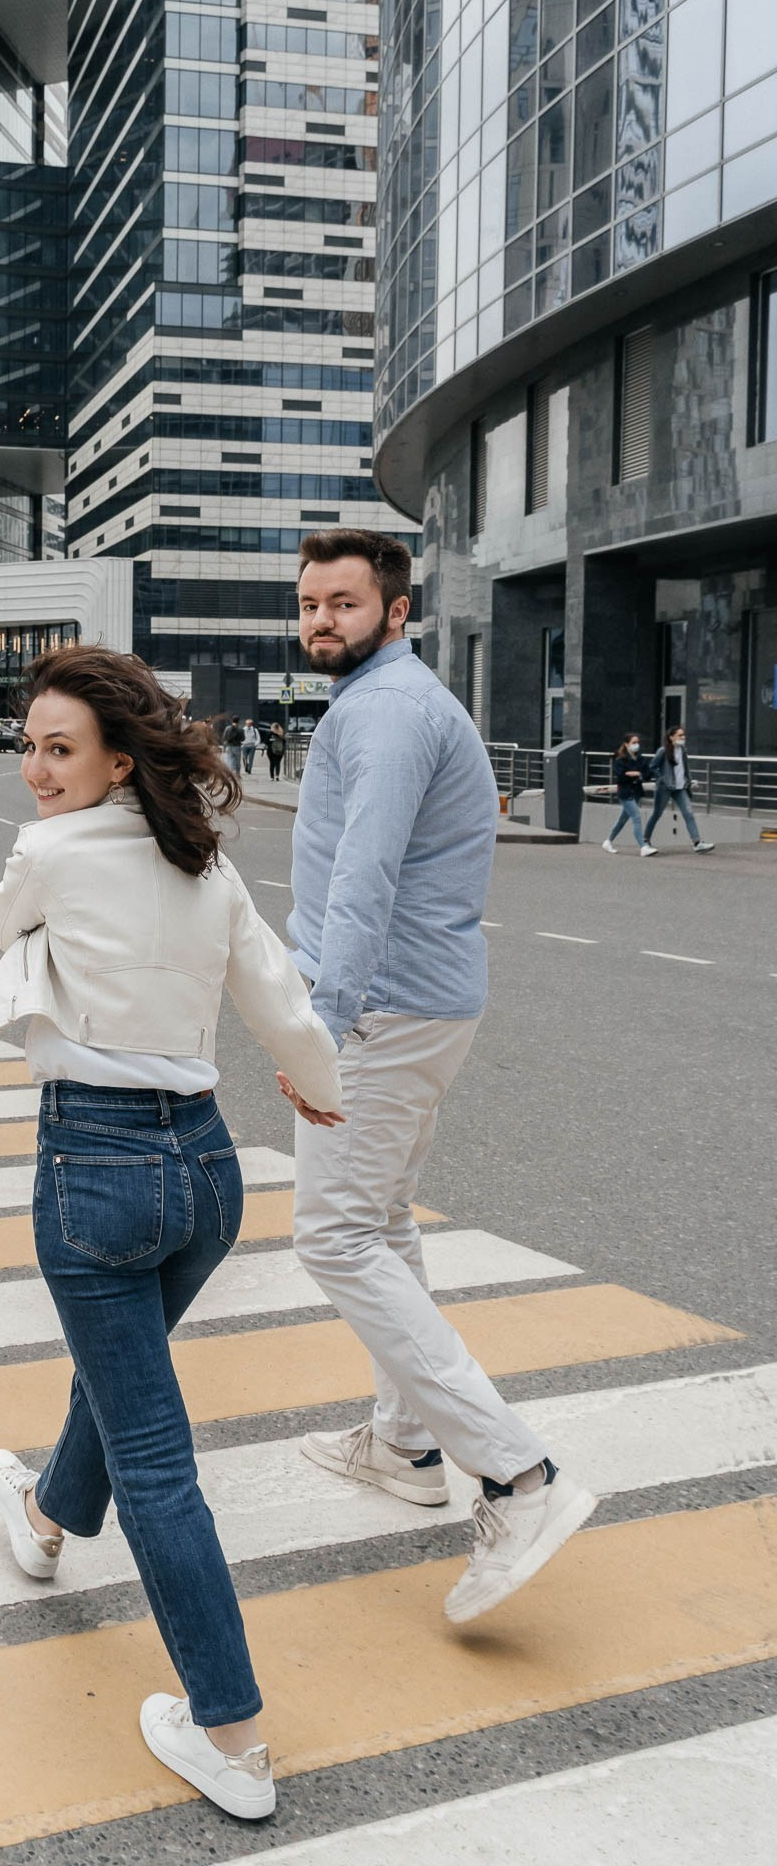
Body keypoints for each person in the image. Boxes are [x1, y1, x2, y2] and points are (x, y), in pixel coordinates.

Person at [0, 643, 342, 1821]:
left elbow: (14, 921)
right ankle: (45, 1517)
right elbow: (277, 996)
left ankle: (231, 1735)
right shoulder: (205, 867)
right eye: (27, 747)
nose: (33, 770)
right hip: (208, 1172)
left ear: (120, 760)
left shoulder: (48, 852)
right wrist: (314, 1086)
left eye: (57, 749)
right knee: (125, 1390)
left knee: (157, 1461)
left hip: (96, 1167)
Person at [283, 527, 595, 1626]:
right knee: (383, 1220)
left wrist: (318, 1026)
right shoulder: (385, 703)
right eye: (311, 602)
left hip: (377, 1012)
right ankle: (408, 1445)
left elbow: (361, 883)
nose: (321, 620)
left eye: (343, 604)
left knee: (331, 1235)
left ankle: (516, 1476)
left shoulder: (384, 714)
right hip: (417, 1005)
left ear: (396, 612)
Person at [646, 725, 714, 851]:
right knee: (656, 814)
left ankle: (697, 843)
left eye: (683, 735)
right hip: (665, 788)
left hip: (680, 787)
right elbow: (652, 766)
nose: (683, 737)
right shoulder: (663, 751)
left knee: (689, 813)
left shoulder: (682, 750)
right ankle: (646, 840)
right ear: (671, 737)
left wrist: (688, 780)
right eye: (680, 735)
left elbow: (684, 768)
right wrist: (662, 778)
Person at [602, 733, 657, 855]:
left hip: (636, 792)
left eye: (637, 742)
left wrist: (635, 774)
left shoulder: (641, 759)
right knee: (636, 817)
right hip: (626, 793)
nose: (636, 745)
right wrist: (636, 774)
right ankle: (643, 847)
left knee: (622, 819)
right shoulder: (620, 759)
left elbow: (647, 774)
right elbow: (621, 776)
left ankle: (608, 841)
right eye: (633, 742)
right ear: (626, 744)